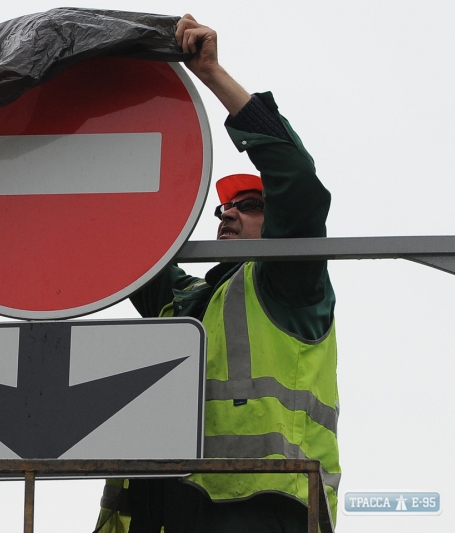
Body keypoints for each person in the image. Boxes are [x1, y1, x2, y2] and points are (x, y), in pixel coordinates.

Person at [96, 14, 340, 533]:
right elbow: (119, 232)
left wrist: (211, 75)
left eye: (249, 205)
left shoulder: (290, 287)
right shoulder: (184, 301)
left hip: (260, 508)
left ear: (278, 225)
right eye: (224, 208)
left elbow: (296, 179)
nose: (227, 213)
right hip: (162, 511)